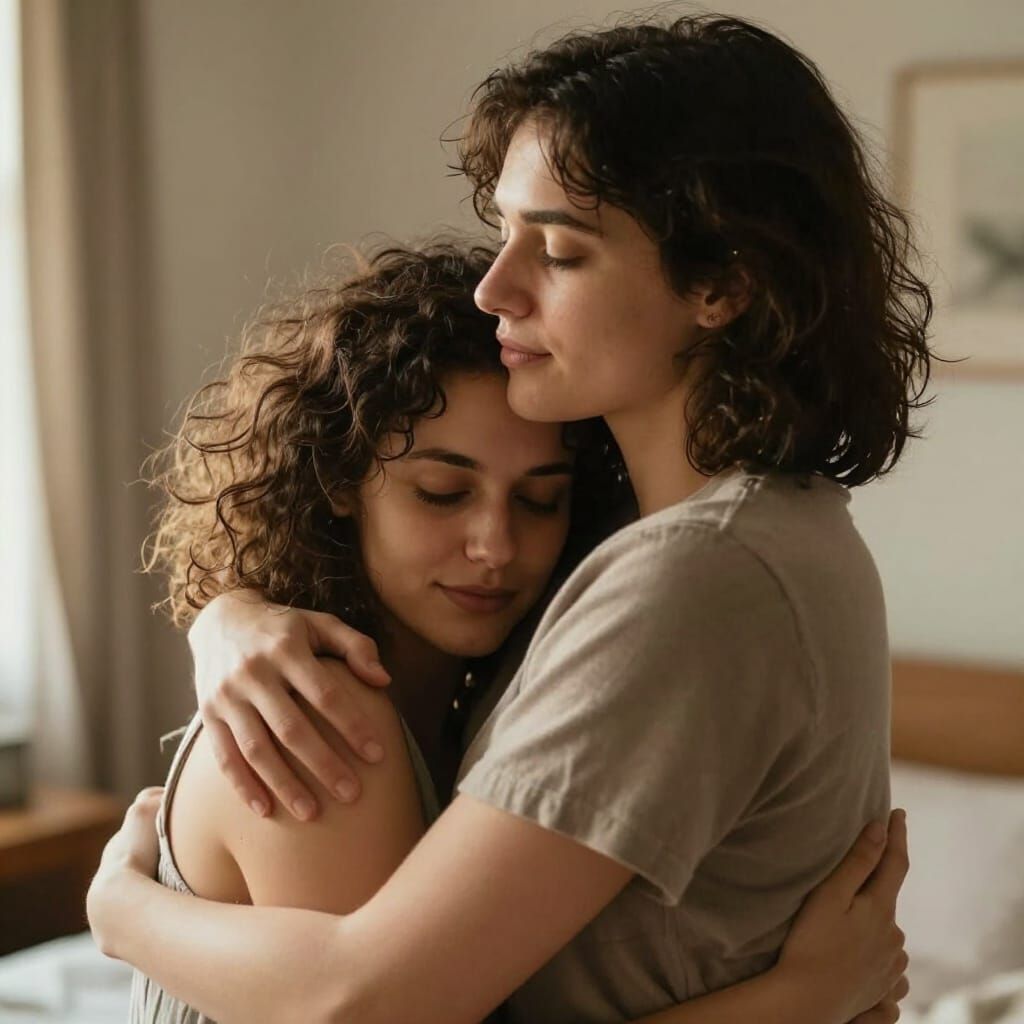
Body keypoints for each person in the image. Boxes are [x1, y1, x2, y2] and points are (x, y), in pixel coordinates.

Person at [88, 13, 928, 1024]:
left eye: (560, 253)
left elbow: (370, 1002)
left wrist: (121, 904)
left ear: (722, 283)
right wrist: (230, 613)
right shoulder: (758, 530)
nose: (498, 287)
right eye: (503, 237)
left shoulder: (699, 574)